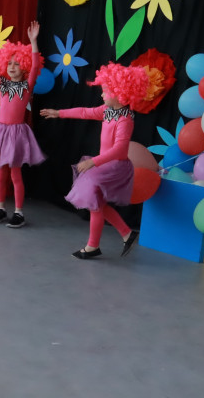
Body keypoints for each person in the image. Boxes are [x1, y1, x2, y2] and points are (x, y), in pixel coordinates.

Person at [40, 63, 149, 259]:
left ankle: (95, 245)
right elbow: (85, 112)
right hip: (104, 165)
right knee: (96, 203)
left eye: (106, 91)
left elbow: (120, 149)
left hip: (115, 167)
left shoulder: (124, 119)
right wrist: (59, 113)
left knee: (93, 199)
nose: (101, 95)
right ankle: (124, 234)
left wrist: (93, 162)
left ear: (121, 92)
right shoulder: (108, 112)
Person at [0, 20, 45, 228]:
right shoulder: (2, 84)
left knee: (15, 173)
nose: (12, 67)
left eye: (17, 64)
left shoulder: (26, 86)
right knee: (0, 171)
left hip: (16, 134)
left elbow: (36, 66)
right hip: (0, 131)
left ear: (24, 68)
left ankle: (19, 212)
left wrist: (33, 42)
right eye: (10, 63)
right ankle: (1, 208)